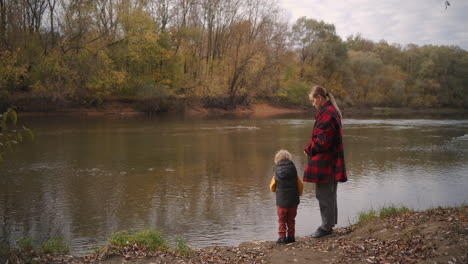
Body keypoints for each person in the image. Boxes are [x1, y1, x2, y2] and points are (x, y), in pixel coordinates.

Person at [303, 85, 347, 238]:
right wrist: (310, 147)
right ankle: (329, 224)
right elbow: (320, 136)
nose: (312, 104)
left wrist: (309, 150)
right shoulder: (327, 112)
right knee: (329, 194)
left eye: (313, 100)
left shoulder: (327, 114)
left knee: (324, 195)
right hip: (330, 161)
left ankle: (326, 227)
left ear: (320, 98)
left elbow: (322, 141)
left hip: (326, 162)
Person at [270, 149, 304, 244]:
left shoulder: (276, 173)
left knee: (281, 220)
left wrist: (276, 191)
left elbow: (272, 187)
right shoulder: (294, 172)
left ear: (277, 160)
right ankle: (291, 237)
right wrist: (299, 193)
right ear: (289, 158)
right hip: (293, 201)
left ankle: (282, 238)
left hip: (281, 202)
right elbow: (300, 185)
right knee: (291, 219)